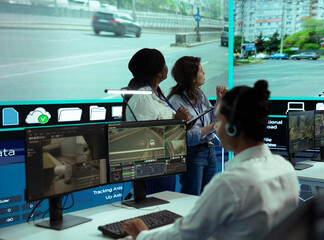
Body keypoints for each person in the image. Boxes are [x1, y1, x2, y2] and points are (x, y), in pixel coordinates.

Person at [121, 80, 300, 240]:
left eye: (219, 121)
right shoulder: (285, 168)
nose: (216, 126)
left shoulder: (231, 183)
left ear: (232, 129)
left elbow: (185, 236)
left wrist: (142, 234)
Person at [122, 48, 190, 194]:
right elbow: (147, 137)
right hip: (152, 168)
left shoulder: (155, 92)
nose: (167, 67)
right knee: (155, 211)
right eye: (164, 63)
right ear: (159, 72)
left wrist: (182, 121)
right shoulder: (142, 98)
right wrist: (177, 122)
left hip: (164, 163)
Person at [168, 56, 227, 195]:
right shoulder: (176, 101)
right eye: (201, 70)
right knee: (191, 196)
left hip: (209, 150)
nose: (204, 73)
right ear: (192, 77)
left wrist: (219, 100)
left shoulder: (200, 94)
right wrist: (213, 126)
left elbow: (211, 118)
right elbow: (187, 136)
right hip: (193, 154)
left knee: (208, 196)